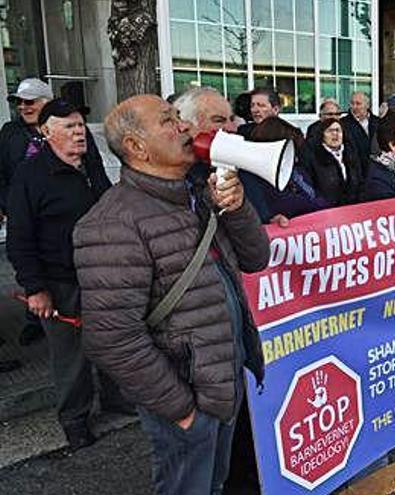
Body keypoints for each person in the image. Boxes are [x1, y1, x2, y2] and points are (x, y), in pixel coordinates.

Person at [74, 94, 269, 495]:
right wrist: (182, 410)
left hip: (219, 385)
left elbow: (256, 258)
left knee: (214, 485)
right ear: (136, 147)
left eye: (179, 117)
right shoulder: (111, 224)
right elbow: (111, 339)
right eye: (168, 121)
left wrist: (238, 206)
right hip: (187, 397)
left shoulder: (195, 197)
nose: (183, 126)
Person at [6, 99, 120, 449]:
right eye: (68, 126)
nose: (78, 132)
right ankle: (75, 421)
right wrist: (36, 288)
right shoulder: (30, 175)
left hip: (101, 273)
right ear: (46, 131)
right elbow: (20, 238)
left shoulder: (91, 164)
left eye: (80, 125)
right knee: (71, 357)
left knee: (112, 343)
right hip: (59, 279)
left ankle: (118, 401)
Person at [1, 78, 53, 347]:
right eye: (19, 102)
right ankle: (35, 319)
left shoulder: (62, 126)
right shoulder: (10, 132)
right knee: (28, 264)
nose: (23, 106)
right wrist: (4, 204)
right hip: (22, 212)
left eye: (30, 101)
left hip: (56, 211)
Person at [303, 119, 363, 206]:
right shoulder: (313, 157)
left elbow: (360, 182)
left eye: (338, 130)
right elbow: (311, 189)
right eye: (330, 131)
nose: (335, 134)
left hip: (352, 210)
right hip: (325, 210)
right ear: (322, 135)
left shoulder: (351, 154)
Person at [341, 91, 379, 175]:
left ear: (367, 105)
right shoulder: (343, 124)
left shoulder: (378, 122)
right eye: (352, 103)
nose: (354, 107)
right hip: (355, 174)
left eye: (358, 104)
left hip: (376, 172)